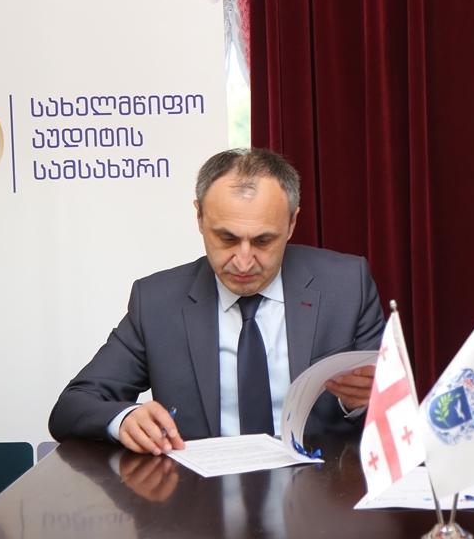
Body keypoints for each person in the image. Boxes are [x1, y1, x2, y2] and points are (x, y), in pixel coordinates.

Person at [49, 148, 385, 455]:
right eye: (226, 238)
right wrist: (124, 419)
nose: (243, 261)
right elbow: (71, 406)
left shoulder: (346, 286)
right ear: (199, 218)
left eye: (263, 241)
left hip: (320, 487)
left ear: (292, 223)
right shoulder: (156, 303)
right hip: (201, 493)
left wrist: (359, 402)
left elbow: (391, 408)